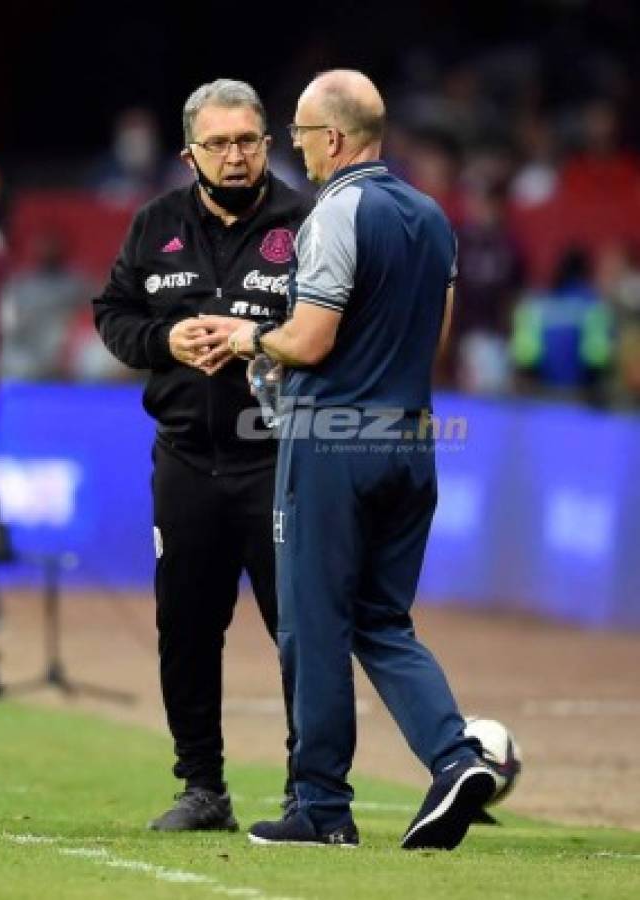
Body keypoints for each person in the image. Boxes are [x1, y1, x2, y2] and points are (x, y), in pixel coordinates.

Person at [218, 70, 496, 849]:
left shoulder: (337, 211)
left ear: (333, 138)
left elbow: (310, 340)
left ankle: (320, 808)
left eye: (301, 135)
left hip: (331, 445)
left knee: (312, 624)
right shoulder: (435, 217)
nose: (297, 151)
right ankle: (454, 757)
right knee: (380, 617)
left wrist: (251, 340)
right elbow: (432, 342)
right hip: (410, 440)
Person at [93, 79, 310, 831]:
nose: (234, 156)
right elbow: (112, 313)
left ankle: (307, 790)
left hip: (280, 460)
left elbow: (337, 326)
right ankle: (203, 788)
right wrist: (165, 340)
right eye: (217, 144)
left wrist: (268, 348)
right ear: (189, 153)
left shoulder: (308, 220)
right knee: (185, 627)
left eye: (247, 141)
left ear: (268, 145)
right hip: (185, 459)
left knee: (298, 628)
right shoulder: (155, 224)